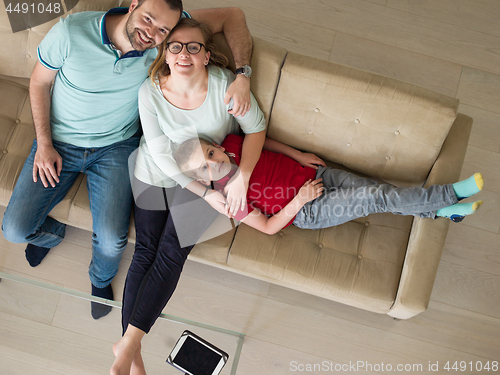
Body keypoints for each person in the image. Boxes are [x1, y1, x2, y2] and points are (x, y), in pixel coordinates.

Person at [1, 0, 255, 320]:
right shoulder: (71, 31)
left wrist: (243, 74)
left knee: (112, 242)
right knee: (13, 230)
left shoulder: (170, 34)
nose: (151, 33)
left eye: (162, 29)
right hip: (59, 142)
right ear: (133, 5)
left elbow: (234, 15)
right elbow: (39, 82)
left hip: (116, 147)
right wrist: (44, 144)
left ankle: (100, 279)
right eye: (147, 19)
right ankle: (52, 233)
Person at [111, 18, 266, 375]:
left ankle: (127, 346)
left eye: (193, 47)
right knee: (146, 250)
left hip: (206, 173)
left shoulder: (225, 86)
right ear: (164, 53)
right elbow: (163, 156)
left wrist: (241, 178)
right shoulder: (149, 91)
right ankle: (129, 351)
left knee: (171, 253)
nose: (184, 53)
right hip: (157, 171)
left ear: (207, 55)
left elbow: (256, 128)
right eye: (175, 46)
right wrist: (204, 195)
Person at [173, 134, 485, 234]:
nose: (214, 162)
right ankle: (450, 193)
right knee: (376, 196)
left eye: (210, 153)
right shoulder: (228, 200)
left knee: (383, 192)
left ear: (216, 145)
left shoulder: (233, 143)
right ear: (202, 179)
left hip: (318, 175)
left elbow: (265, 141)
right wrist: (300, 201)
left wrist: (298, 154)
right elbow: (267, 228)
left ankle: (442, 212)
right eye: (205, 167)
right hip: (308, 209)